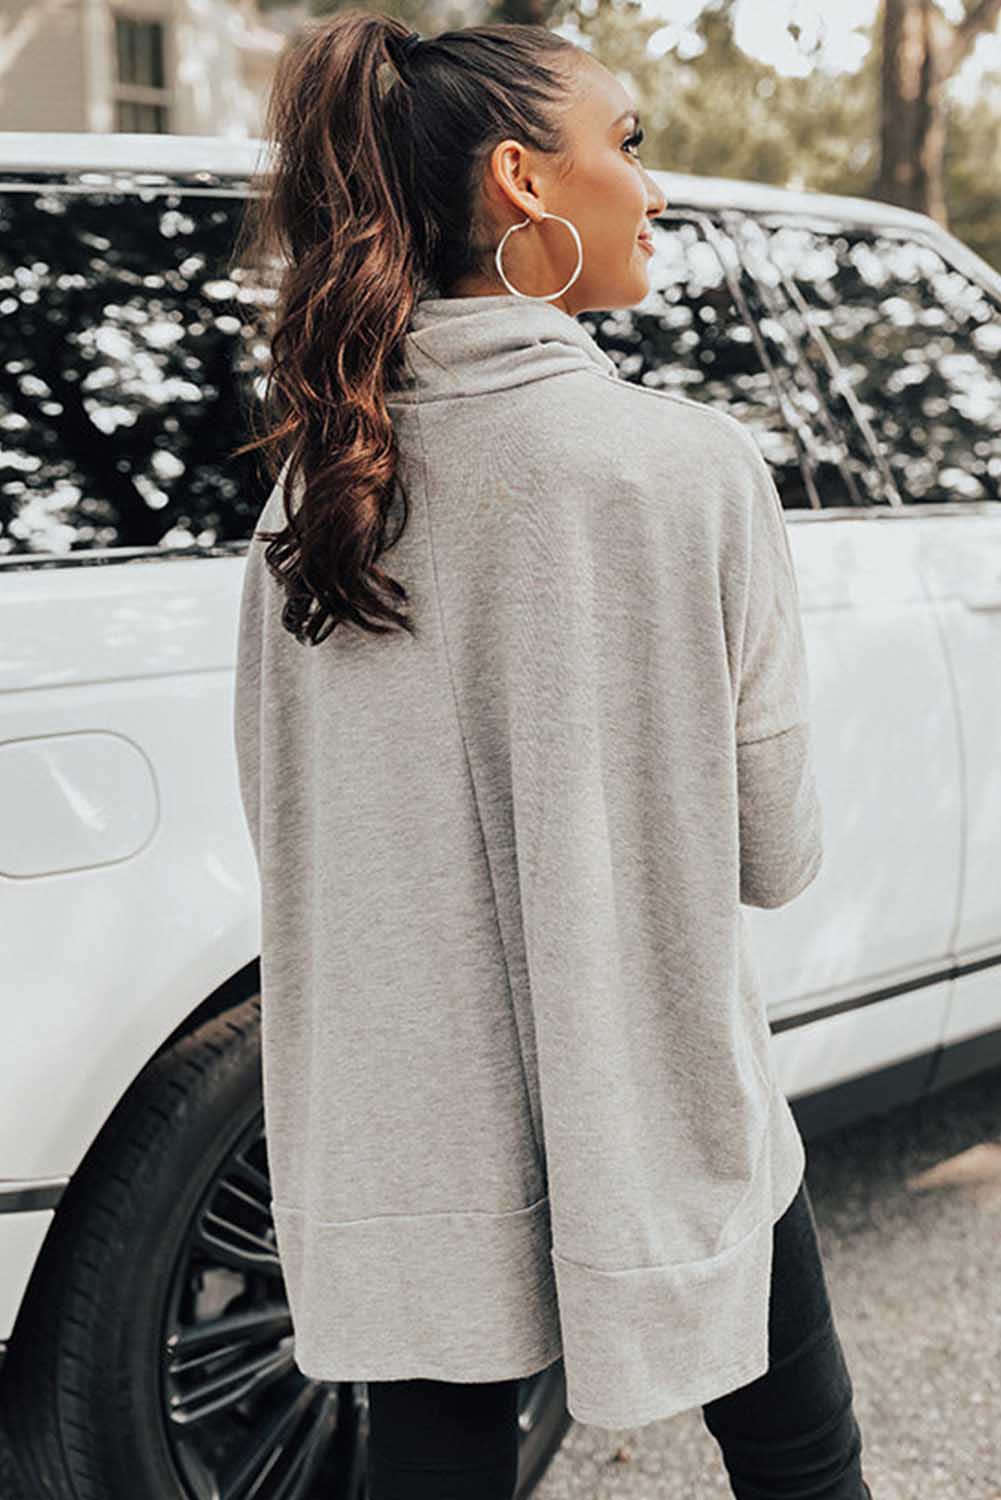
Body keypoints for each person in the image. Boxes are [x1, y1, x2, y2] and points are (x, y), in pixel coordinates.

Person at [231, 11, 875, 1499]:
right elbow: (777, 857)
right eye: (628, 144)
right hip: (663, 1114)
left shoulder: (307, 507)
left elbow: (289, 836)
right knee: (802, 1471)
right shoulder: (684, 470)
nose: (651, 187)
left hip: (403, 1147)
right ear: (523, 183)